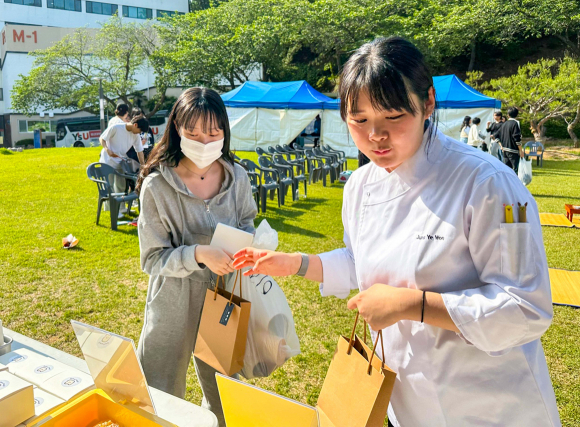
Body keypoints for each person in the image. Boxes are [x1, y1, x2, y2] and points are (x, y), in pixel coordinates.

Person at [233, 37, 560, 427]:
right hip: (404, 404)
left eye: (393, 116)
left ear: (428, 103)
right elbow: (362, 261)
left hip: (487, 406)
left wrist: (413, 305)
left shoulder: (493, 185)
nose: (376, 135)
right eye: (359, 120)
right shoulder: (360, 185)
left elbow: (526, 308)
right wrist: (295, 263)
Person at [135, 87, 257, 427]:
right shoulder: (157, 185)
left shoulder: (238, 177)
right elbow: (152, 259)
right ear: (177, 130)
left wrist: (248, 243)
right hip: (174, 298)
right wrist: (199, 253)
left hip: (224, 295)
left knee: (223, 390)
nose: (204, 142)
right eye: (193, 133)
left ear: (225, 132)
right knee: (160, 388)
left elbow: (247, 220)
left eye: (213, 132)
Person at [99, 116, 148, 215]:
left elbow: (139, 151)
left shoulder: (135, 136)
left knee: (121, 186)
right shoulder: (116, 127)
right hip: (107, 161)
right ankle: (114, 211)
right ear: (135, 125)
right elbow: (102, 138)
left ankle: (121, 208)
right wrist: (107, 149)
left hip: (120, 162)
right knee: (110, 187)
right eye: (139, 130)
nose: (139, 133)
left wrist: (143, 165)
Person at [497, 106, 523, 174]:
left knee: (507, 170)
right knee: (514, 170)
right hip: (513, 151)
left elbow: (497, 136)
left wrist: (501, 146)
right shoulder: (515, 124)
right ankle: (514, 184)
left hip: (505, 150)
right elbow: (517, 138)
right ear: (517, 115)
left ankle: (506, 183)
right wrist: (520, 150)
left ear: (508, 115)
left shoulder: (504, 124)